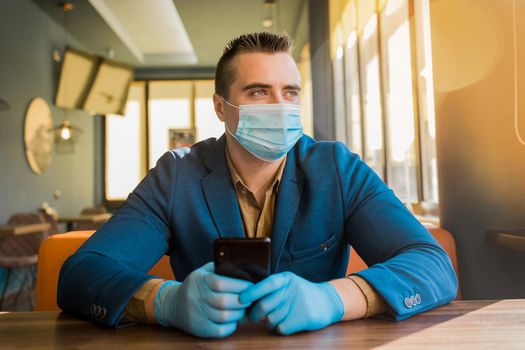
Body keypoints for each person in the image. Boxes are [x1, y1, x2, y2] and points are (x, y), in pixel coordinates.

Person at [58, 32, 457, 338]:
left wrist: (336, 299)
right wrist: (166, 302)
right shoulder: (176, 175)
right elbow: (81, 274)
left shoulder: (337, 168)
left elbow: (432, 264)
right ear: (220, 106)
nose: (280, 106)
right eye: (259, 92)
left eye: (290, 93)